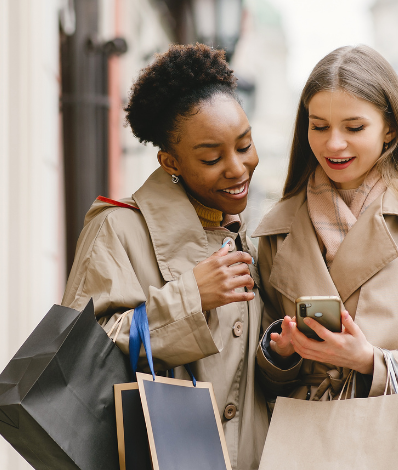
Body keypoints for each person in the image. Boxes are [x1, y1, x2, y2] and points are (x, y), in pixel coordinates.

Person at [60, 44, 267, 469]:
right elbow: (83, 354)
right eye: (211, 157)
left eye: (244, 145)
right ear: (170, 161)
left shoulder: (250, 239)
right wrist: (191, 296)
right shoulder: (117, 227)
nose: (237, 168)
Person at [253, 45, 398, 404]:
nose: (333, 143)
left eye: (354, 127)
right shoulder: (277, 227)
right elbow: (262, 383)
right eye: (318, 126)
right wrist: (281, 353)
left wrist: (370, 362)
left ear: (390, 129)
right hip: (305, 446)